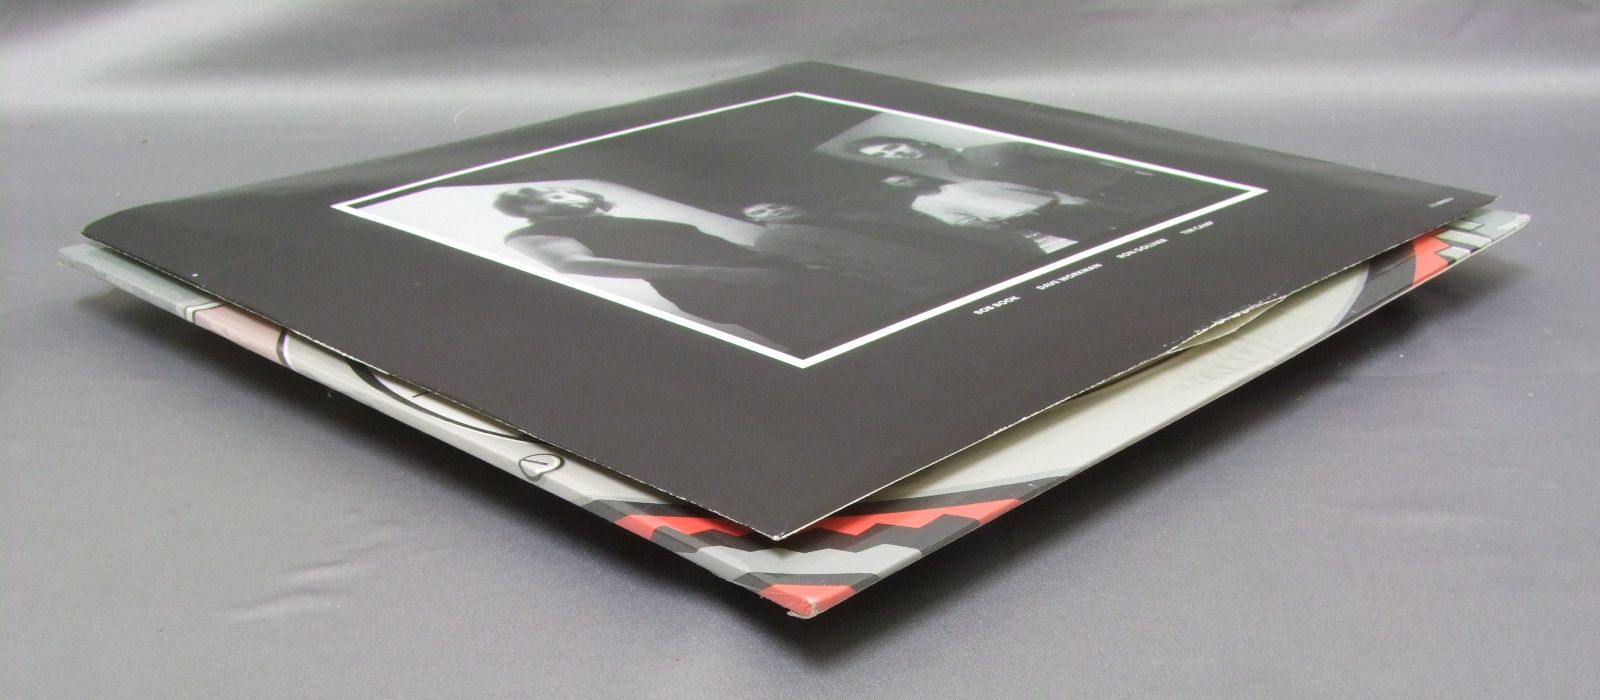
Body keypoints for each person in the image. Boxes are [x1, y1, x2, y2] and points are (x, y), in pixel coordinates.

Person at [495, 186, 908, 353]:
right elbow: (573, 263)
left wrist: (792, 264)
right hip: (720, 285)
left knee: (877, 309)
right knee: (833, 334)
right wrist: (710, 274)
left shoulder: (619, 220)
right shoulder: (533, 233)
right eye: (541, 201)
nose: (557, 198)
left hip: (767, 270)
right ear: (531, 213)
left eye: (556, 191)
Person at [846, 136, 1220, 217]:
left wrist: (1124, 166)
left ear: (908, 141)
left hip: (1119, 178)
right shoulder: (958, 171)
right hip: (1093, 196)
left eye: (892, 147)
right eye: (885, 157)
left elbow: (1065, 152)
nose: (897, 155)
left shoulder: (987, 146)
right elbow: (1024, 188)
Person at [741, 201, 984, 297]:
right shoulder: (773, 239)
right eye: (761, 212)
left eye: (774, 205)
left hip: (946, 255)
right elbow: (827, 269)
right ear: (755, 220)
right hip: (909, 275)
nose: (773, 211)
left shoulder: (838, 212)